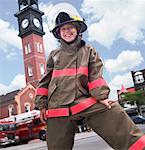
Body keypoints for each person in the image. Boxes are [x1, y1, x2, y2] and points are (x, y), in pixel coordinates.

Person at [35, 11, 145, 150]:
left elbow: (95, 75)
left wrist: (102, 97)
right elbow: (45, 81)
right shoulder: (54, 55)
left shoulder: (88, 50)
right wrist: (42, 106)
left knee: (113, 110)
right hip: (58, 106)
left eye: (70, 27)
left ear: (78, 29)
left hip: (84, 101)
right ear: (58, 34)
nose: (67, 31)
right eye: (63, 29)